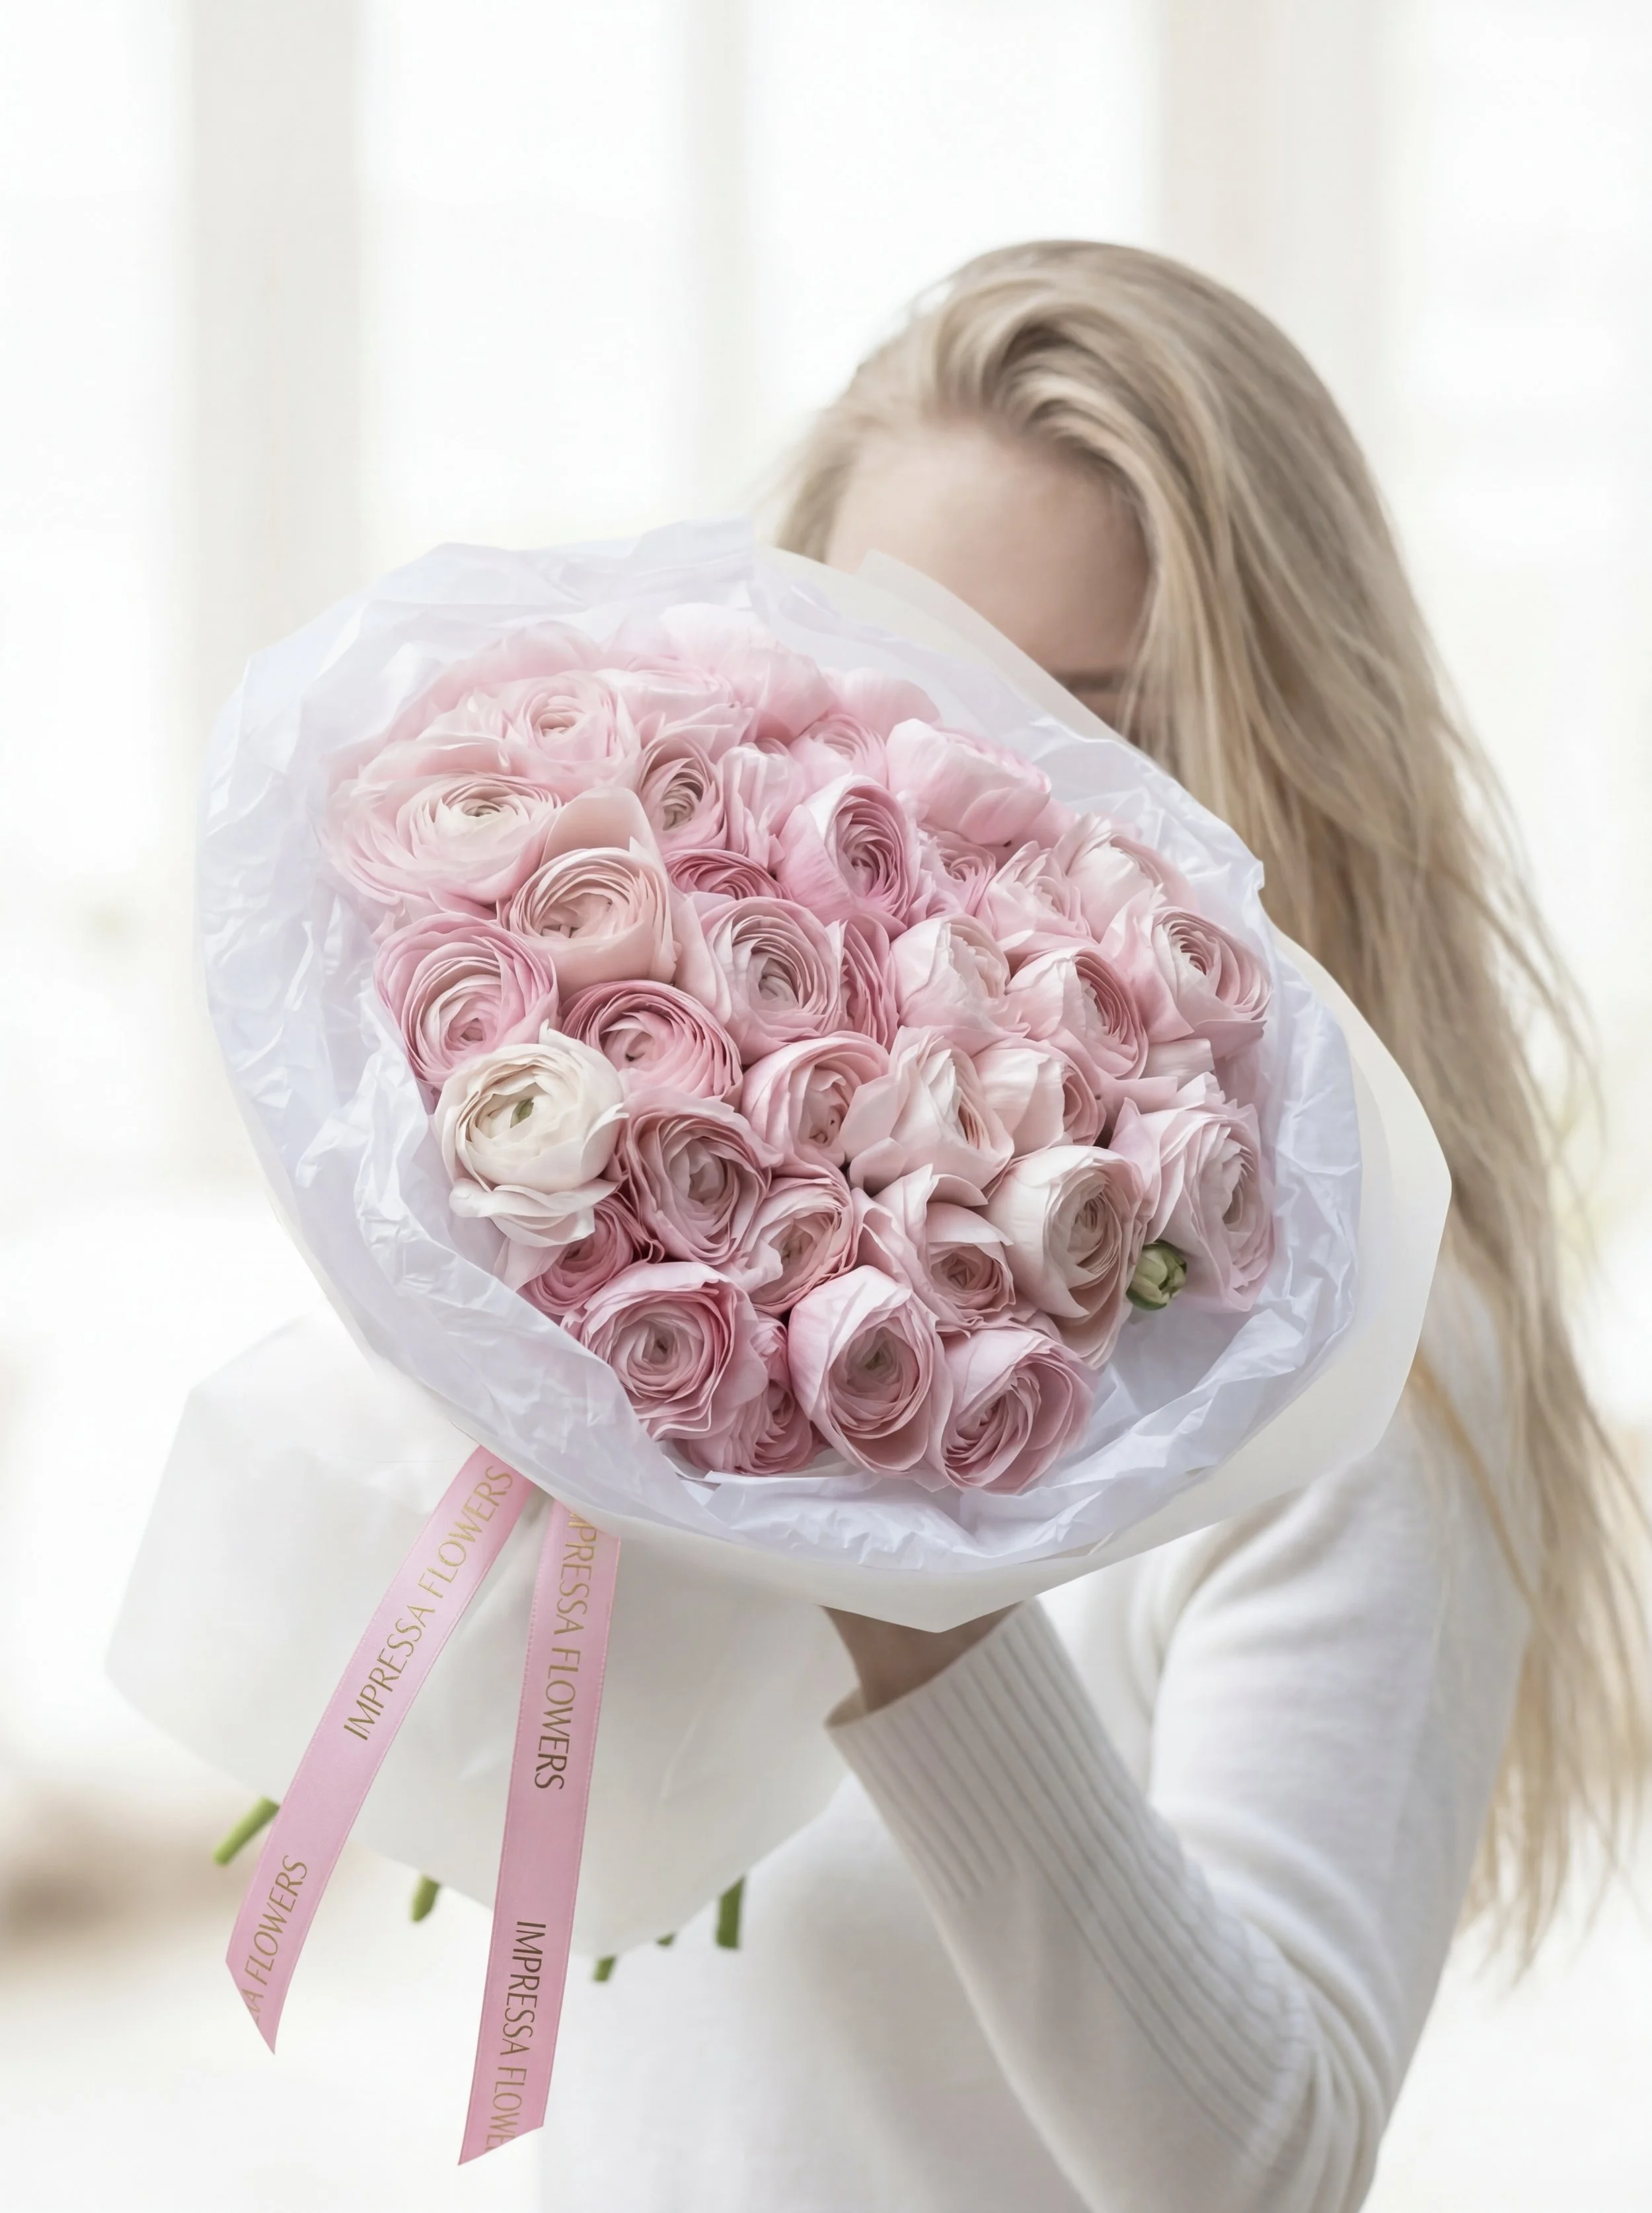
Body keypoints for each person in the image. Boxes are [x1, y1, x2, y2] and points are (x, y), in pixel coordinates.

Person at [539, 242, 1648, 2212]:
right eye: (888, 680)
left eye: (1085, 720)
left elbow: (1267, 2163)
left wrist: (892, 1578)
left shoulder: (1371, 1370)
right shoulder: (706, 1270)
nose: (954, 794)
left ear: (1273, 751)